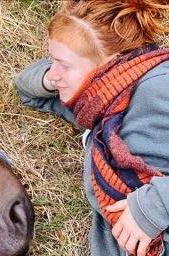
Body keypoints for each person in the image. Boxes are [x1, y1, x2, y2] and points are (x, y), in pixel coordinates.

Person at [15, 1, 169, 255]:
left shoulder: (158, 88)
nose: (54, 73)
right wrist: (57, 77)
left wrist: (154, 205)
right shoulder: (99, 104)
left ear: (107, 63)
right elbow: (27, 88)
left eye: (63, 64)